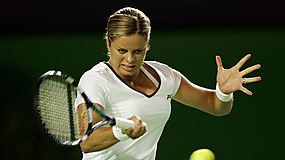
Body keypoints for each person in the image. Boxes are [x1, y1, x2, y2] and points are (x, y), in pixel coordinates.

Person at [75, 7, 262, 160]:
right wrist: (122, 132)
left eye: (138, 51)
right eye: (122, 50)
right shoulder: (96, 81)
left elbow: (215, 106)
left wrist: (223, 91)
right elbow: (88, 141)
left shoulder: (164, 76)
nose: (130, 59)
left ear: (147, 45)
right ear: (108, 44)